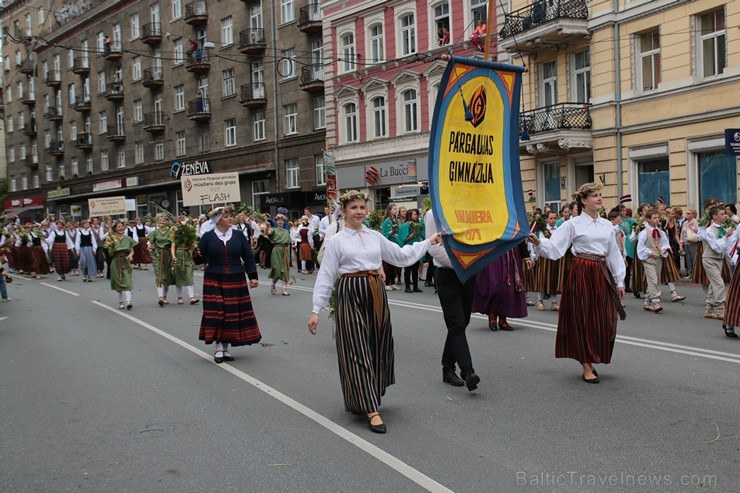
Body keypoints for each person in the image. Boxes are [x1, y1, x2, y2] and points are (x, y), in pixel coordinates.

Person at [307, 190, 442, 434]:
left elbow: (400, 256)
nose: (359, 212)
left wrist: (427, 242)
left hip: (376, 291)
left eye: (362, 207)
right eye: (354, 208)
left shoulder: (374, 236)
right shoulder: (336, 241)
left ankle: (368, 391)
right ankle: (371, 408)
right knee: (356, 346)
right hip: (349, 291)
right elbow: (326, 275)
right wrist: (316, 309)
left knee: (379, 343)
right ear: (344, 211)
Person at [529, 183, 626, 384]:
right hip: (581, 271)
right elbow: (556, 248)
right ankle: (586, 363)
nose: (599, 199)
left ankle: (593, 354)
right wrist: (539, 243)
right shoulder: (573, 224)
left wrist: (619, 280)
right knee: (583, 317)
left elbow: (614, 253)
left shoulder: (607, 225)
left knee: (603, 316)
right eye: (594, 196)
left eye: (600, 195)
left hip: (601, 271)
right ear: (583, 200)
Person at [425, 209, 480, 390]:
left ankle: (447, 368)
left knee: (462, 322)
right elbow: (433, 248)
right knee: (456, 323)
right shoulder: (434, 213)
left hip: (468, 273)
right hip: (447, 274)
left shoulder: (467, 208)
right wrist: (459, 264)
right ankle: (467, 371)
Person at [198, 206, 261, 363]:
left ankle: (225, 348)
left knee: (232, 313)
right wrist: (190, 250)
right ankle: (218, 347)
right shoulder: (207, 237)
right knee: (218, 311)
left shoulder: (239, 236)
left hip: (235, 278)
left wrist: (252, 276)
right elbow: (200, 259)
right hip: (213, 278)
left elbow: (248, 257)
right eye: (225, 217)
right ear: (218, 220)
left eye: (229, 216)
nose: (229, 218)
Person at [701, 205, 734, 320]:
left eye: (725, 213)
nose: (725, 216)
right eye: (722, 214)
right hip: (709, 259)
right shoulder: (709, 231)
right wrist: (726, 236)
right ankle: (721, 309)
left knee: (713, 284)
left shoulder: (723, 229)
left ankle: (709, 309)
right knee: (719, 283)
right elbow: (716, 247)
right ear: (714, 216)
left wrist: (732, 261)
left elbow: (727, 248)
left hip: (719, 260)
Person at [637, 209, 669, 313]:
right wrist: (650, 253)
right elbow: (640, 247)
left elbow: (665, 244)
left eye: (658, 218)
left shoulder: (661, 232)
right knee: (653, 279)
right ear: (648, 219)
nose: (657, 220)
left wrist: (664, 250)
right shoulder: (644, 232)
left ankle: (647, 301)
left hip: (658, 259)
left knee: (655, 280)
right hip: (648, 259)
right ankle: (656, 302)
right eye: (654, 218)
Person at [104, 219, 136, 309]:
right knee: (118, 282)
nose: (121, 228)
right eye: (119, 227)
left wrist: (130, 255)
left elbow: (132, 250)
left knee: (127, 281)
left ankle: (129, 302)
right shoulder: (111, 239)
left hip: (125, 261)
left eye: (122, 226)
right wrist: (111, 246)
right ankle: (120, 302)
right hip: (116, 261)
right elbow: (110, 254)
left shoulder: (128, 238)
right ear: (115, 228)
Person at [171, 219, 199, 305]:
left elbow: (192, 246)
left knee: (189, 276)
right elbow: (172, 246)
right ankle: (180, 297)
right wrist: (173, 257)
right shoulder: (173, 233)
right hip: (179, 255)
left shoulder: (189, 233)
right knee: (178, 276)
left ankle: (192, 297)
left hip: (187, 255)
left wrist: (192, 252)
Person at [148, 215, 174, 306]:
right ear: (157, 222)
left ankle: (165, 296)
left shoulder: (170, 232)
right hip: (158, 255)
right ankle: (160, 298)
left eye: (164, 220)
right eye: (160, 221)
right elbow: (149, 244)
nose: (162, 222)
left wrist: (173, 256)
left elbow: (173, 244)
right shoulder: (154, 232)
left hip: (167, 255)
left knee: (166, 276)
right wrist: (151, 249)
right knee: (159, 275)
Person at [397, 209, 424, 293]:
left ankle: (415, 287)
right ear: (410, 215)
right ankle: (407, 287)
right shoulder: (406, 225)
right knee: (408, 268)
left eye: (416, 214)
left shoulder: (417, 224)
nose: (416, 216)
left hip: (415, 248)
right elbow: (405, 238)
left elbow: (422, 235)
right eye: (414, 214)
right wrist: (414, 234)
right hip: (408, 248)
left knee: (415, 268)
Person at [267, 213, 292, 296]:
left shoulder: (286, 231)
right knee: (277, 269)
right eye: (278, 220)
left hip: (284, 251)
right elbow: (268, 233)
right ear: (276, 221)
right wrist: (267, 226)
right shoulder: (274, 229)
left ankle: (284, 289)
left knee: (284, 270)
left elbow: (288, 242)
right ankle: (273, 285)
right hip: (276, 250)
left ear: (284, 222)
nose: (280, 222)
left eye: (281, 220)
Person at [380, 204, 400, 291]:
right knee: (388, 265)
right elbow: (384, 235)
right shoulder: (386, 221)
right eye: (394, 209)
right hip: (388, 245)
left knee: (393, 265)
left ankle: (393, 283)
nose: (396, 210)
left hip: (394, 244)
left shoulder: (395, 220)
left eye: (396, 209)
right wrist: (391, 232)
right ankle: (387, 283)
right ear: (390, 210)